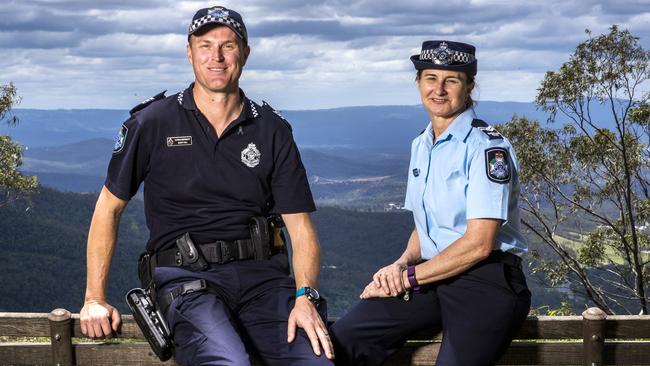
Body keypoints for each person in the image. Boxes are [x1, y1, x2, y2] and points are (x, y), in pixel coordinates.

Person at [79, 5, 334, 365]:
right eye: (205, 44)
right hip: (186, 281)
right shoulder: (152, 123)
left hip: (264, 283)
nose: (216, 56)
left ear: (244, 53)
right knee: (228, 363)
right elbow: (109, 208)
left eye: (228, 45)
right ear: (189, 52)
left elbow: (301, 229)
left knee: (317, 362)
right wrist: (94, 298)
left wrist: (305, 297)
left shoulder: (272, 130)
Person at [329, 40, 531, 366]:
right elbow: (425, 227)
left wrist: (409, 278)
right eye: (430, 78)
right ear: (419, 83)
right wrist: (399, 264)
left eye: (451, 80)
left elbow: (479, 245)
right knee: (345, 337)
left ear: (469, 86)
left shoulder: (486, 148)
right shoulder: (422, 144)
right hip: (433, 276)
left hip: (486, 281)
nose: (438, 89)